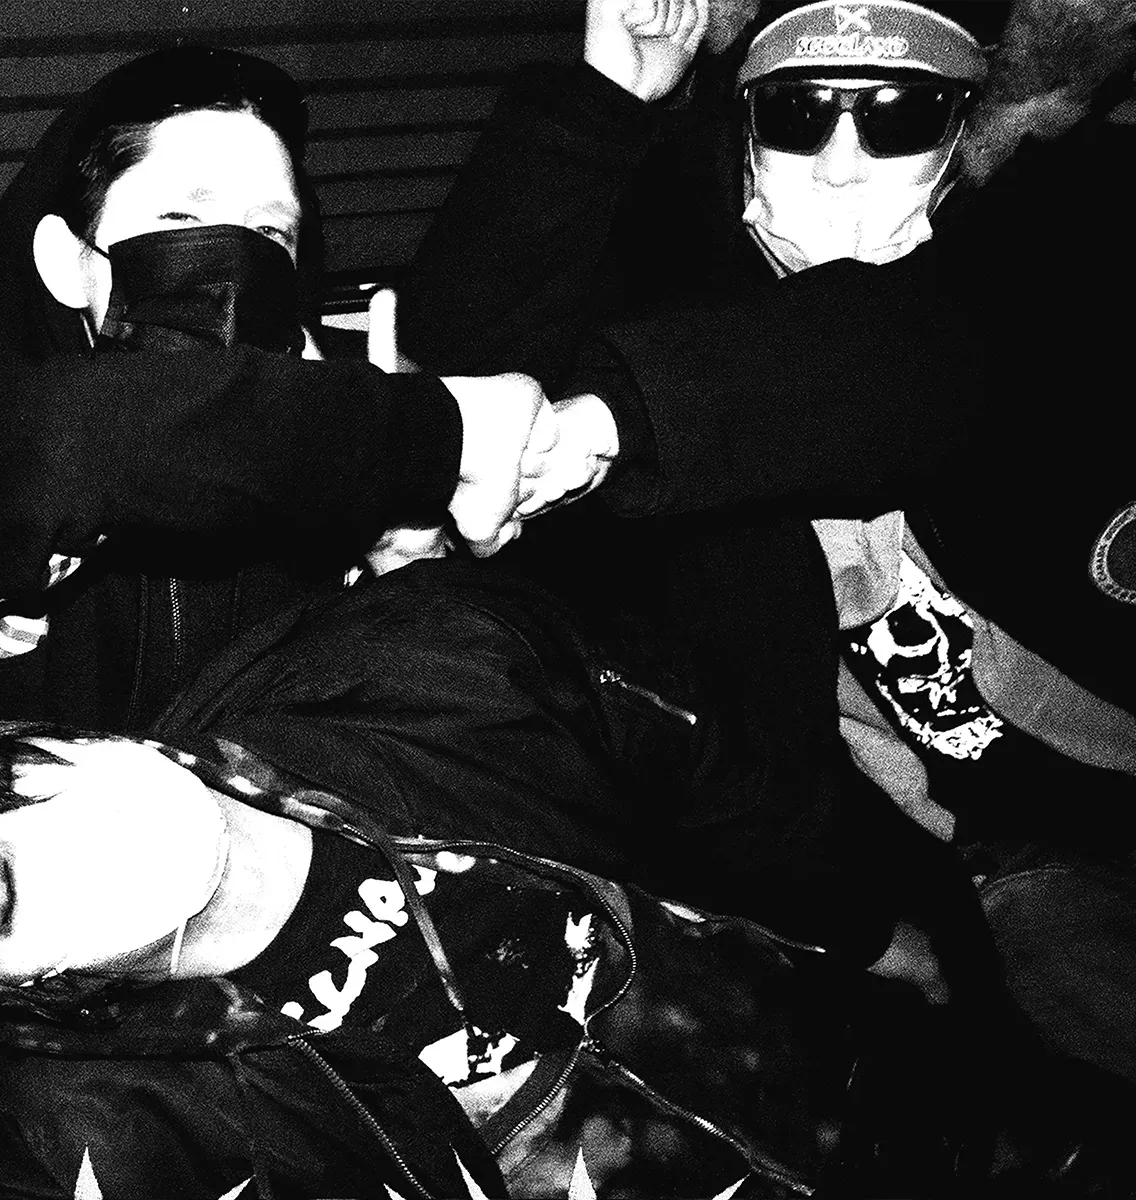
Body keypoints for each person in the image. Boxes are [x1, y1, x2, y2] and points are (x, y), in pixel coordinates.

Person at [0, 558, 1132, 1197]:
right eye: (1, 896)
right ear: (37, 999)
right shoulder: (85, 1130)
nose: (52, 831)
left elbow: (719, 772)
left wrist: (884, 931)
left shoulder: (421, 662)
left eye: (8, 786)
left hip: (938, 1096)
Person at [397, 0, 1136, 1085]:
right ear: (744, 140)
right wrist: (605, 98)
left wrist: (615, 424)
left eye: (896, 116)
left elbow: (920, 349)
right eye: (798, 114)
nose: (839, 163)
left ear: (968, 132)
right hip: (983, 863)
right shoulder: (687, 307)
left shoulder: (1068, 248)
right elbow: (473, 361)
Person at [0, 45, 552, 732]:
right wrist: (432, 436)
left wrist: (406, 558)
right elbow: (78, 446)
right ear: (68, 263)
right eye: (182, 220)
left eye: (270, 233)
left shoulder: (339, 433)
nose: (237, 265)